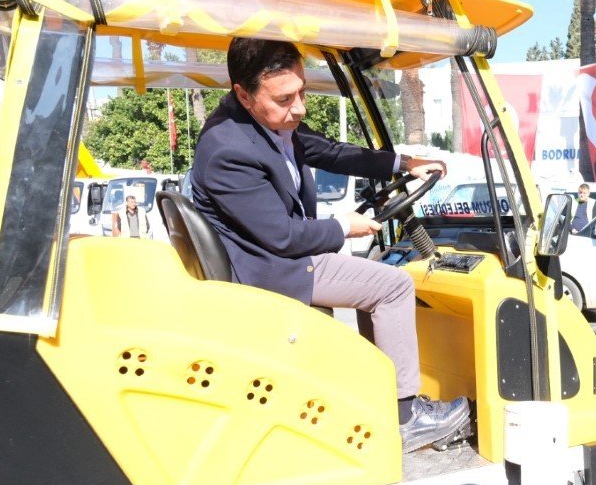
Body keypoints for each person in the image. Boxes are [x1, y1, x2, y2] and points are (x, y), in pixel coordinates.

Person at [191, 37, 469, 452]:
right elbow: (282, 236)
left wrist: (402, 164)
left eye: (302, 91)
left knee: (374, 282)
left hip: (274, 255)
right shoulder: (228, 150)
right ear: (243, 95)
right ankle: (406, 417)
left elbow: (330, 152)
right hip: (269, 267)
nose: (299, 108)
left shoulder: (268, 123)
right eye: (286, 98)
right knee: (393, 286)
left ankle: (379, 394)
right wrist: (343, 226)